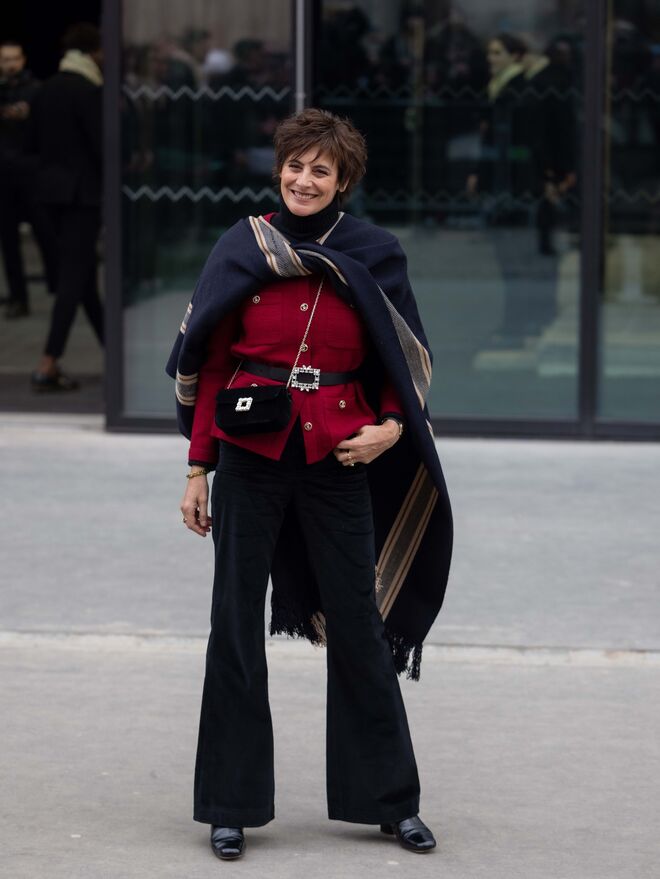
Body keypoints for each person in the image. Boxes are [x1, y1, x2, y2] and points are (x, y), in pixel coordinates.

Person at [166, 108, 453, 861]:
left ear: (343, 180)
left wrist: (392, 424)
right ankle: (230, 803)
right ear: (280, 169)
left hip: (338, 457)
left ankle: (390, 801)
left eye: (320, 169)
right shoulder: (243, 246)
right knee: (234, 623)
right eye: (295, 165)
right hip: (250, 456)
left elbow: (402, 357)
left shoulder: (374, 252)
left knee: (357, 624)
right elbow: (214, 361)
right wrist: (198, 467)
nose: (304, 179)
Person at [29, 23, 104, 391]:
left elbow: (32, 143)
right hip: (81, 197)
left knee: (83, 279)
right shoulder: (88, 91)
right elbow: (101, 147)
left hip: (47, 195)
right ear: (92, 53)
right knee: (74, 279)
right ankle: (48, 363)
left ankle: (112, 353)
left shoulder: (46, 90)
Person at [0, 40, 56, 318]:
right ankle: (18, 297)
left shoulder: (36, 91)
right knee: (9, 242)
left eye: (14, 58)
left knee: (45, 232)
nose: (10, 64)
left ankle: (58, 286)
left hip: (31, 173)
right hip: (5, 176)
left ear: (22, 60)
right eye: (5, 59)